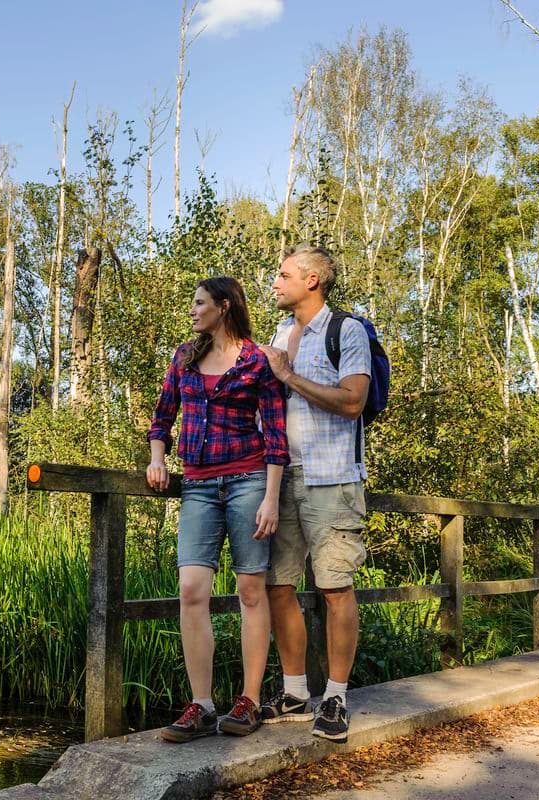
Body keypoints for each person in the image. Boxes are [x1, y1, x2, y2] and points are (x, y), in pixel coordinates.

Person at [146, 276, 288, 742]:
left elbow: (275, 432)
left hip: (249, 480)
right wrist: (157, 459)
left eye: (200, 303)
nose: (193, 310)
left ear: (223, 307)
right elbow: (162, 415)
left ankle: (247, 702)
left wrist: (271, 495)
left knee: (251, 590)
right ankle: (202, 705)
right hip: (200, 486)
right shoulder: (184, 357)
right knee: (190, 589)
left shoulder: (257, 361)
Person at [257, 245, 371, 744]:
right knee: (277, 586)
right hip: (282, 480)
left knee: (334, 587)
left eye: (283, 275)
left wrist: (287, 376)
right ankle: (296, 692)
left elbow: (352, 402)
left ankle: (337, 697)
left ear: (312, 280)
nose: (275, 283)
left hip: (333, 479)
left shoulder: (348, 331)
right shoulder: (280, 334)